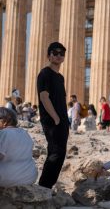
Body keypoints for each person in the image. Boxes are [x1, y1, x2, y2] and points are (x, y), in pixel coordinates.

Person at [37, 42, 70, 189]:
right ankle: (44, 186)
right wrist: (55, 118)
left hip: (62, 120)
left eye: (61, 53)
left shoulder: (60, 77)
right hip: (52, 120)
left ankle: (47, 186)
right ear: (49, 55)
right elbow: (44, 97)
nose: (58, 55)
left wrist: (63, 120)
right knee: (56, 153)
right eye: (54, 53)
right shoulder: (45, 73)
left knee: (59, 153)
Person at [0, 107, 38, 187]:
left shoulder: (4, 133)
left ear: (4, 121)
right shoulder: (24, 133)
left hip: (9, 178)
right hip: (30, 176)